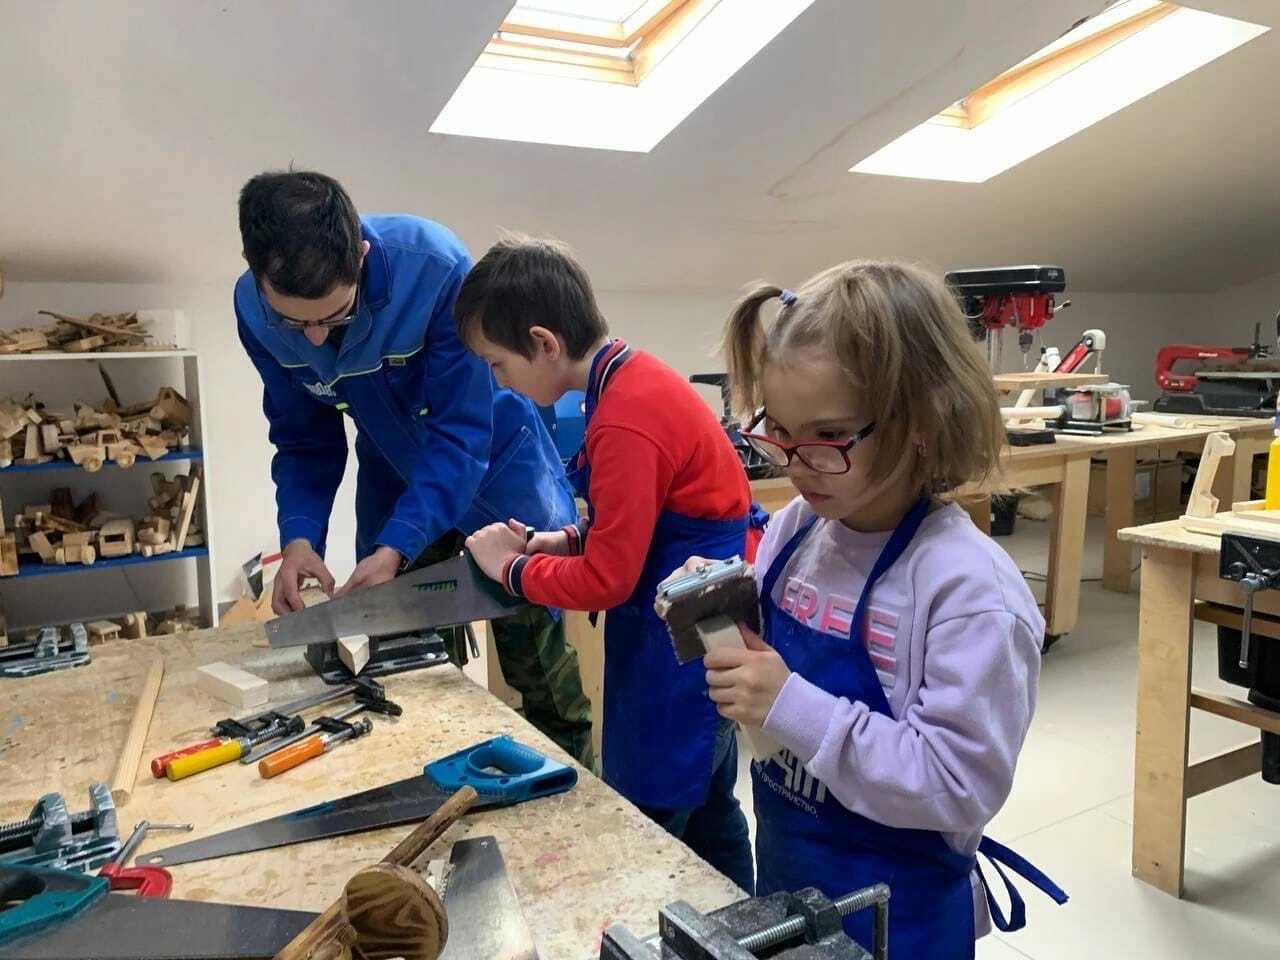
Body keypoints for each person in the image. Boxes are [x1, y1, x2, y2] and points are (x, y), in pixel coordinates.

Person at [679, 261, 1067, 958]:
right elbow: (773, 659)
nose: (795, 463)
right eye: (778, 431)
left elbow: (956, 785)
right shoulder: (799, 529)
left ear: (924, 420)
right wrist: (721, 605)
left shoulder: (967, 592)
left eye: (828, 437)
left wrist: (791, 705)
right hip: (791, 879)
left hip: (898, 916)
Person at [234, 172, 593, 768]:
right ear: (256, 277)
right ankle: (437, 786)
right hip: (392, 477)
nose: (316, 338)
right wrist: (299, 539)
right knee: (406, 672)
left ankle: (578, 798)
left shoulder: (435, 268)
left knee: (541, 672)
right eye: (296, 324)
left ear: (360, 255)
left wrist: (399, 543)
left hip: (496, 470)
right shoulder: (251, 308)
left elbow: (461, 433)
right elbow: (302, 436)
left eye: (334, 316)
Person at [457, 235, 755, 893]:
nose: (498, 381)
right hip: (699, 630)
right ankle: (747, 923)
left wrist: (510, 569)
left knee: (652, 820)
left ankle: (671, 924)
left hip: (679, 647)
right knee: (711, 808)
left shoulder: (623, 415)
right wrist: (561, 541)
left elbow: (609, 580)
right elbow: (641, 522)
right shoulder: (629, 378)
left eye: (498, 364)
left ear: (543, 343)